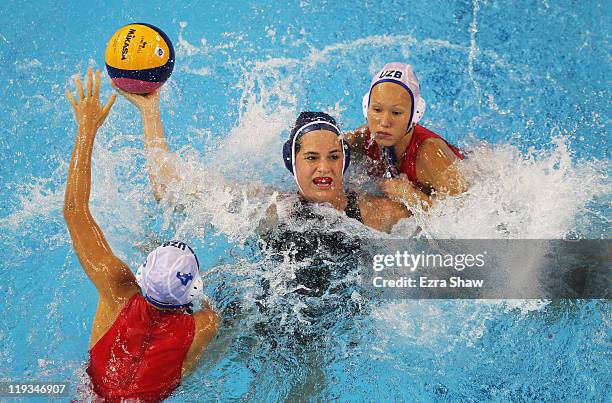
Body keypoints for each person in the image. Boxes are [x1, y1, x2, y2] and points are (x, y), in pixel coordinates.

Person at [64, 68, 219, 402]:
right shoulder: (203, 328)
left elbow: (75, 211)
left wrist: (87, 128)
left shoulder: (117, 288)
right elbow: (211, 307)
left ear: (141, 272)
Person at [115, 85, 428, 233]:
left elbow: (452, 222)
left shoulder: (373, 212)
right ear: (292, 164)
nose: (324, 167)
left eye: (334, 157)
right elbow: (169, 193)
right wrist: (149, 111)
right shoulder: (271, 208)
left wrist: (411, 194)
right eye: (311, 157)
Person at [346, 62, 468, 199]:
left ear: (415, 114)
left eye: (396, 112)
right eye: (377, 110)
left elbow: (469, 210)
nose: (384, 122)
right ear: (366, 107)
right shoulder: (363, 139)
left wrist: (412, 196)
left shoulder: (430, 153)